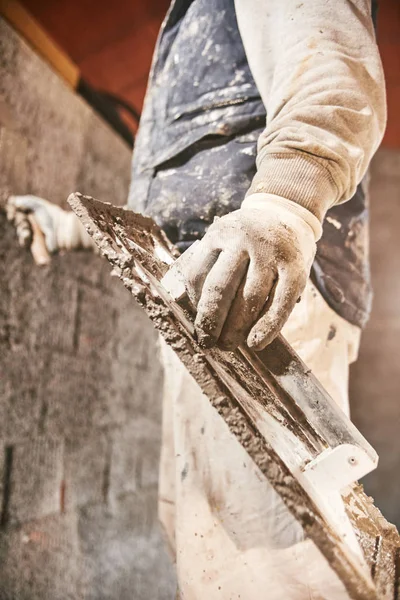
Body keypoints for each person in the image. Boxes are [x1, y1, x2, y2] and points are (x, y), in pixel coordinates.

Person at [8, 0, 386, 597]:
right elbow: (181, 199)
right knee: (206, 556)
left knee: (264, 572)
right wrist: (74, 228)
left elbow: (332, 65)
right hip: (216, 302)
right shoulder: (188, 26)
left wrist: (284, 205)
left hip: (259, 296)